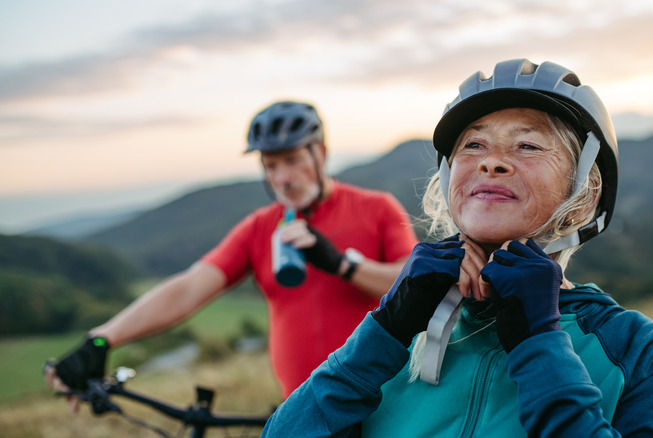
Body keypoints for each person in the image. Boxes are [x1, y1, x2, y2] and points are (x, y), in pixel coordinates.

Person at [259, 59, 653, 437]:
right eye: (474, 145)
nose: (491, 161)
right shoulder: (401, 336)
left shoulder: (640, 349)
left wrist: (539, 342)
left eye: (528, 145)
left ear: (584, 195)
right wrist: (387, 326)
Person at [45, 100, 419, 409]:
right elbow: (189, 288)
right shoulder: (260, 227)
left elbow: (413, 281)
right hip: (303, 410)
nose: (282, 178)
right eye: (271, 165)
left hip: (382, 400)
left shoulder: (377, 208)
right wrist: (102, 339)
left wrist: (342, 264)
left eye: (292, 160)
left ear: (319, 153)